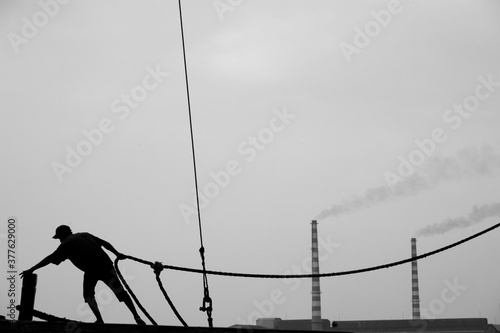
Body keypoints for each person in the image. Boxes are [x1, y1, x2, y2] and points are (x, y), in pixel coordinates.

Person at [20, 225, 146, 325]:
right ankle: (137, 316)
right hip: (107, 266)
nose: (59, 240)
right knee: (121, 292)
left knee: (88, 295)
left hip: (92, 270)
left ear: (63, 234)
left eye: (59, 237)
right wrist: (117, 254)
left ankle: (100, 321)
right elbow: (105, 243)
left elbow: (50, 258)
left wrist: (32, 269)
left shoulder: (65, 244)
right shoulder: (85, 234)